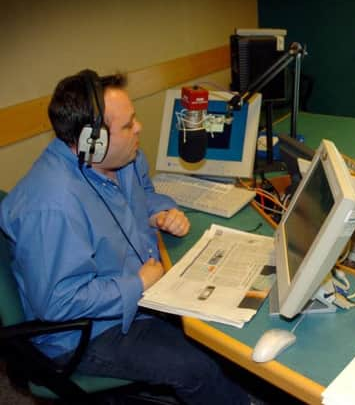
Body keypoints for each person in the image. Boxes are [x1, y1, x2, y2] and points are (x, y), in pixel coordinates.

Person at [0, 70, 250, 404]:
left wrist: (159, 212)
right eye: (128, 125)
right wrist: (139, 283)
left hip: (135, 289)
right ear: (92, 141)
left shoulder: (124, 160)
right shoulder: (51, 206)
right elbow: (58, 302)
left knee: (220, 321)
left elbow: (145, 193)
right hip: (86, 332)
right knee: (199, 364)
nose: (139, 129)